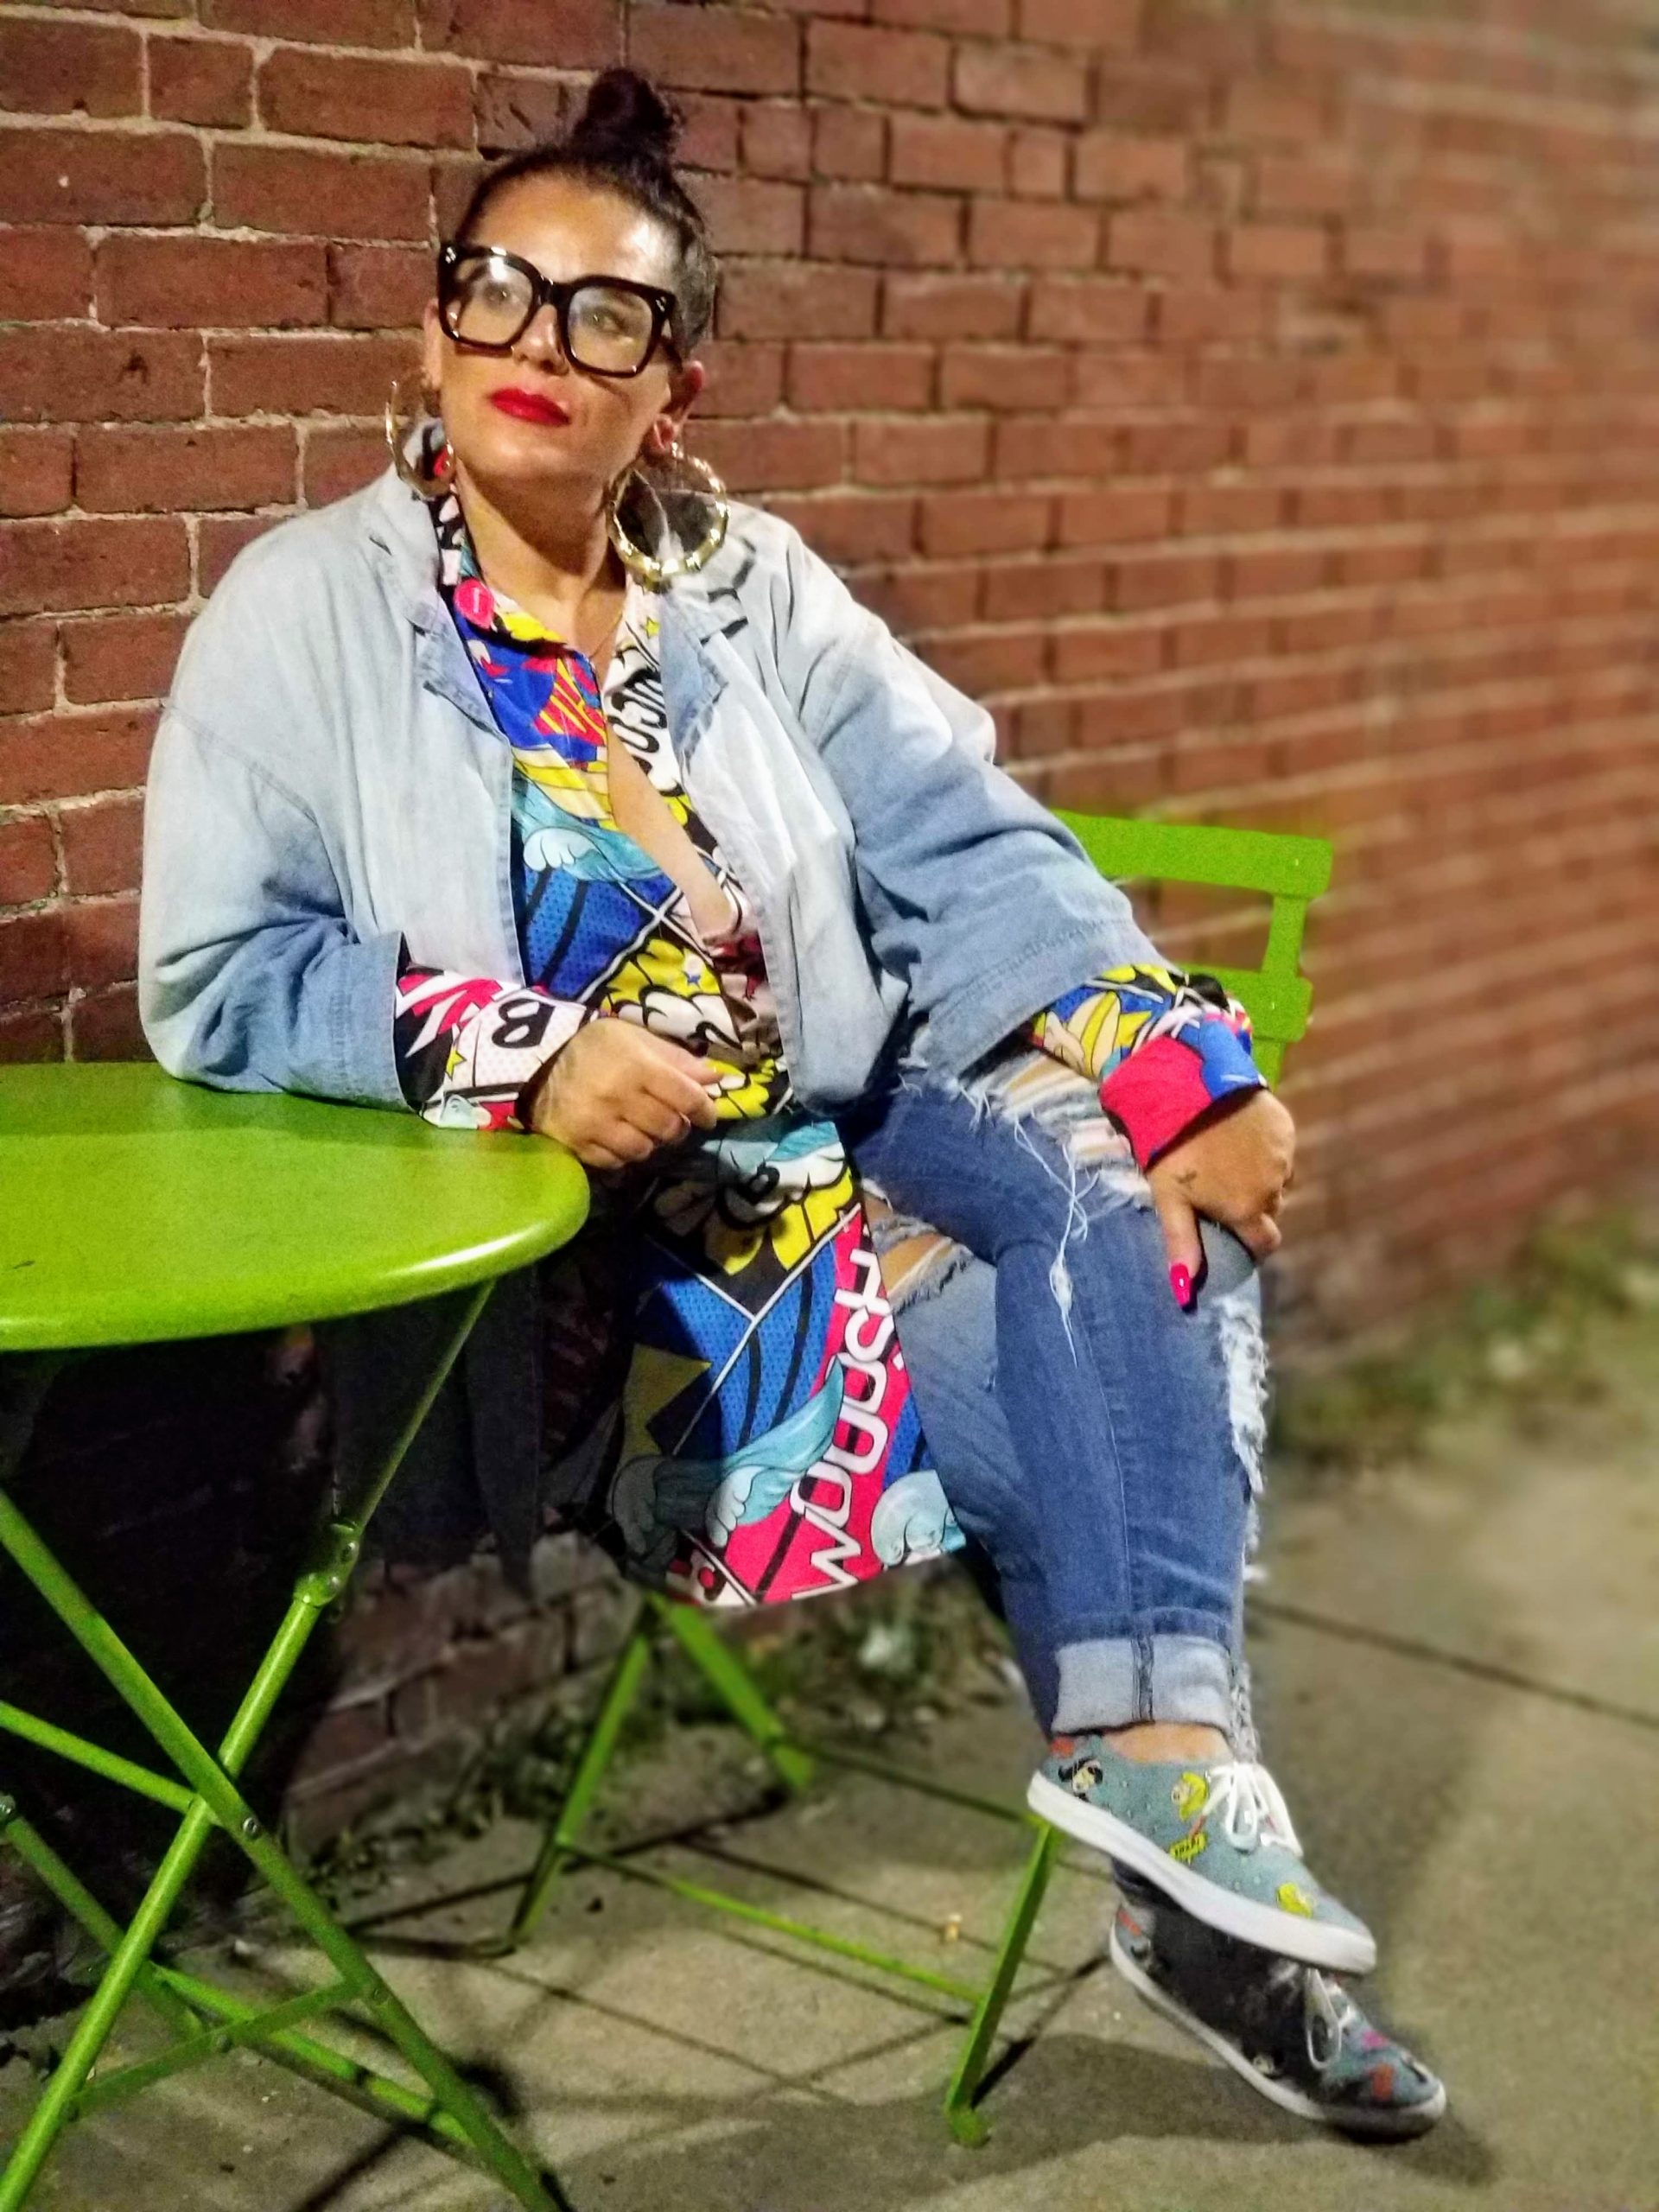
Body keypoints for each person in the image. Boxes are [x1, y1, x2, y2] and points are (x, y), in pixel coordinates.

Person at [137, 68, 1444, 2137]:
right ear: (432, 327)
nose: (540, 343)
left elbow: (960, 834)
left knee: (1150, 1200)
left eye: (608, 315)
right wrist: (520, 1049)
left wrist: (1176, 1055)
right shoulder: (306, 614)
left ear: (677, 382)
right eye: (497, 289)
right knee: (1105, 1368)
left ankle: (1168, 1770)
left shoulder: (742, 585)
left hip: (851, 1143)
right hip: (614, 1287)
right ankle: (1197, 1887)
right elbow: (219, 974)